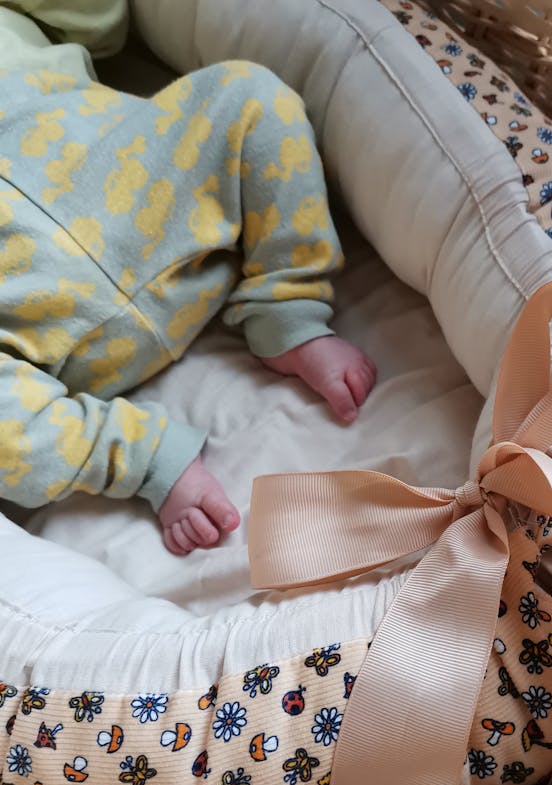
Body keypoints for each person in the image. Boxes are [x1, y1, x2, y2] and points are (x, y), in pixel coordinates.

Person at [0, 0, 376, 555]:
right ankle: (144, 456)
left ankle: (286, 302)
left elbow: (103, 23)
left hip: (129, 173)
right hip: (31, 320)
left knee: (251, 94)